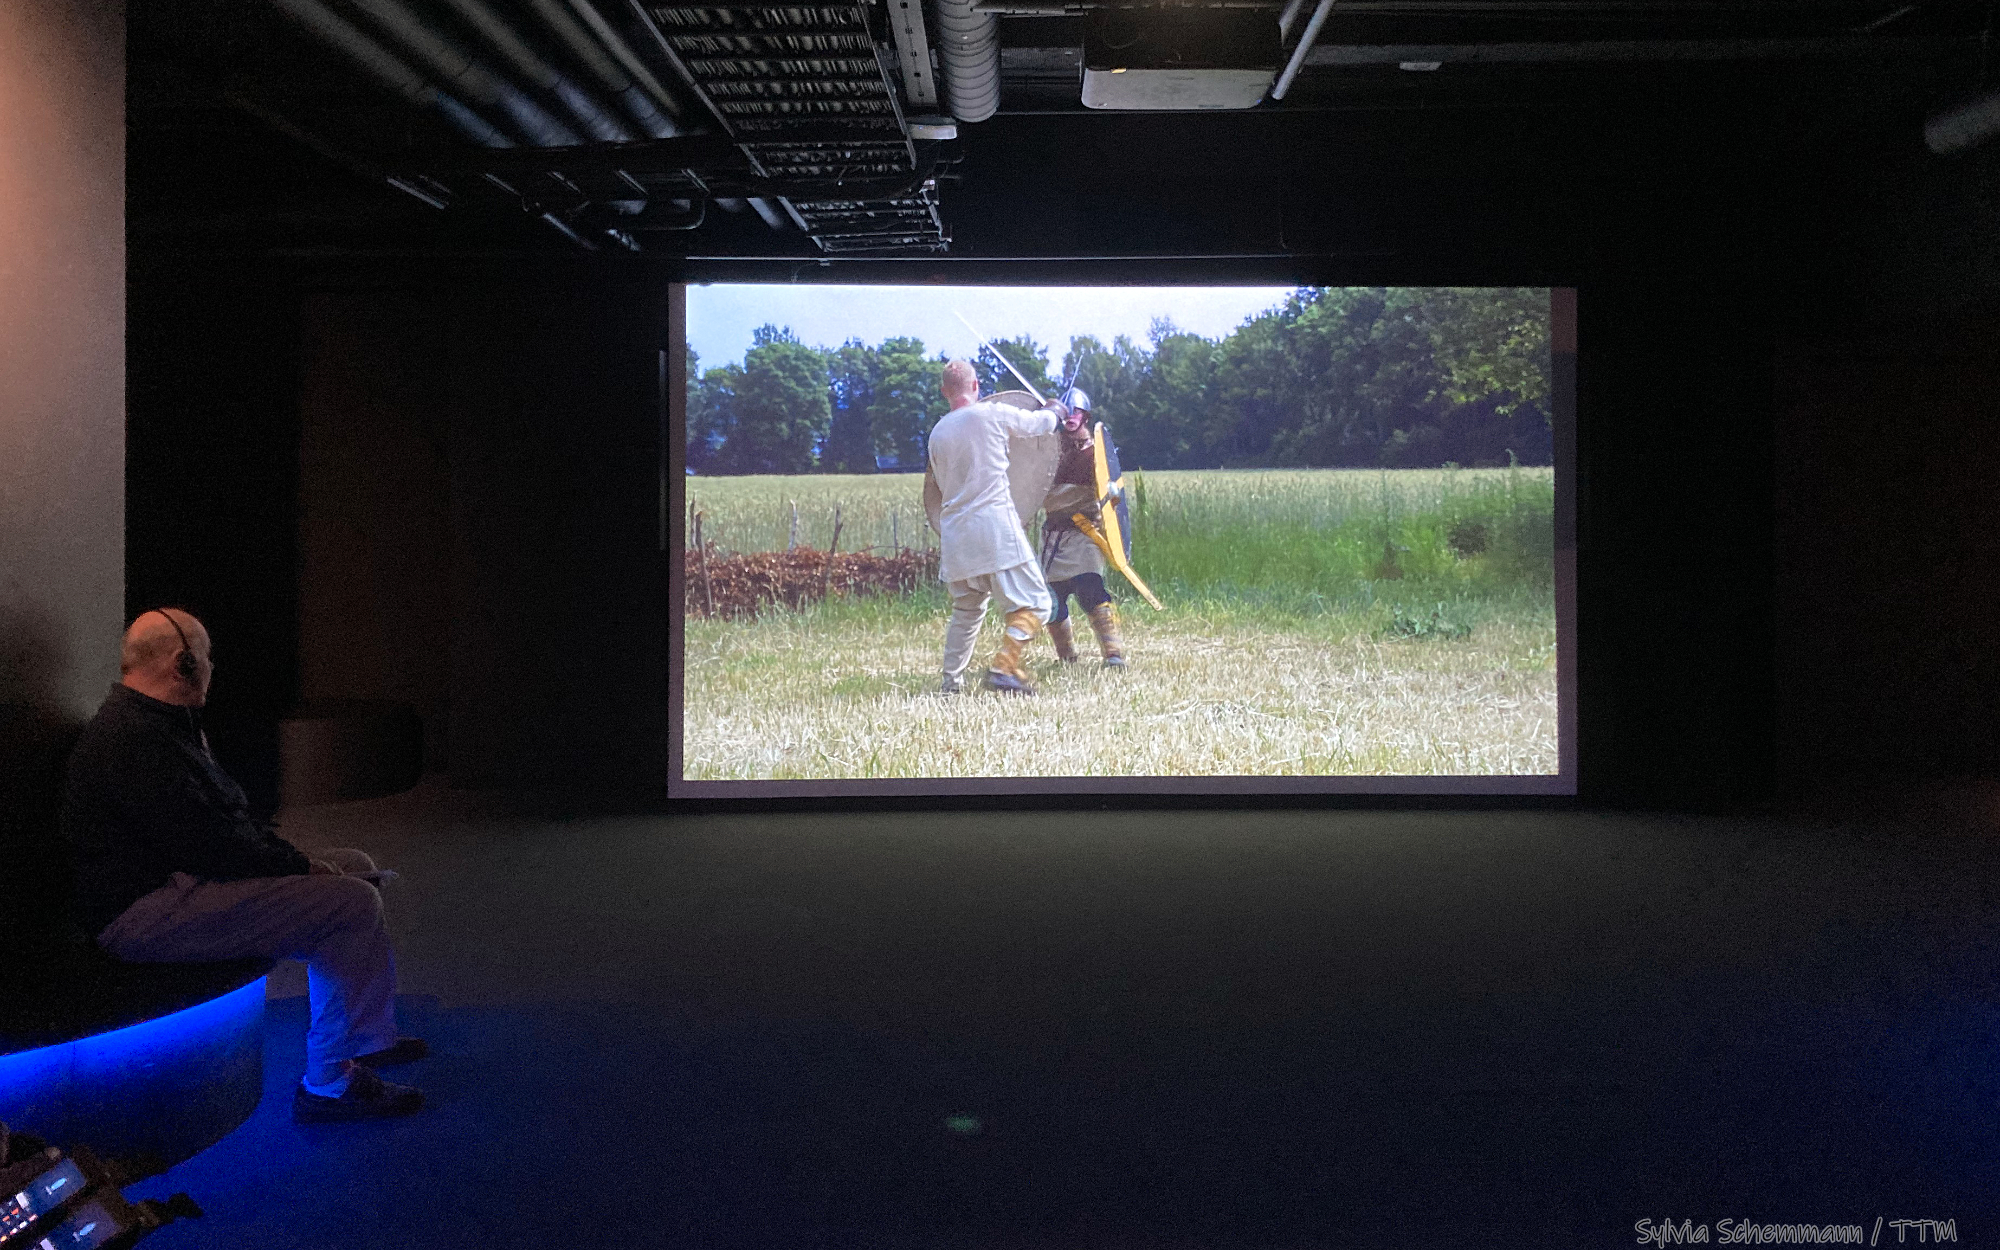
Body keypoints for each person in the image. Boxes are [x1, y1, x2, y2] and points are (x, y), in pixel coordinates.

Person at [62, 608, 427, 1122]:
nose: (212, 667)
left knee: (352, 864)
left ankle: (365, 1037)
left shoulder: (158, 724)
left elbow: (219, 828)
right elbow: (216, 848)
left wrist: (306, 864)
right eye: (206, 657)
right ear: (183, 663)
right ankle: (328, 1083)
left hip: (176, 883)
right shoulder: (136, 742)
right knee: (350, 900)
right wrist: (303, 867)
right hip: (144, 911)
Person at [926, 360, 1069, 694]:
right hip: (994, 527)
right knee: (1036, 603)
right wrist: (1055, 409)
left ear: (945, 391)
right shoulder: (991, 413)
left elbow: (941, 484)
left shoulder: (937, 433)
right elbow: (1040, 424)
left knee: (967, 610)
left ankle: (951, 683)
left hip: (956, 534)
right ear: (976, 386)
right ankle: (1004, 667)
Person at [1036, 386, 1127, 669]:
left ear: (1084, 416)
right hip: (1053, 537)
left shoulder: (1093, 454)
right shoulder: (1049, 454)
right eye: (1066, 413)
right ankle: (1067, 658)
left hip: (1083, 532)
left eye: (1076, 412)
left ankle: (1113, 655)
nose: (1071, 417)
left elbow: (1109, 486)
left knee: (1090, 590)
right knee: (1052, 602)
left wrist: (1111, 489)